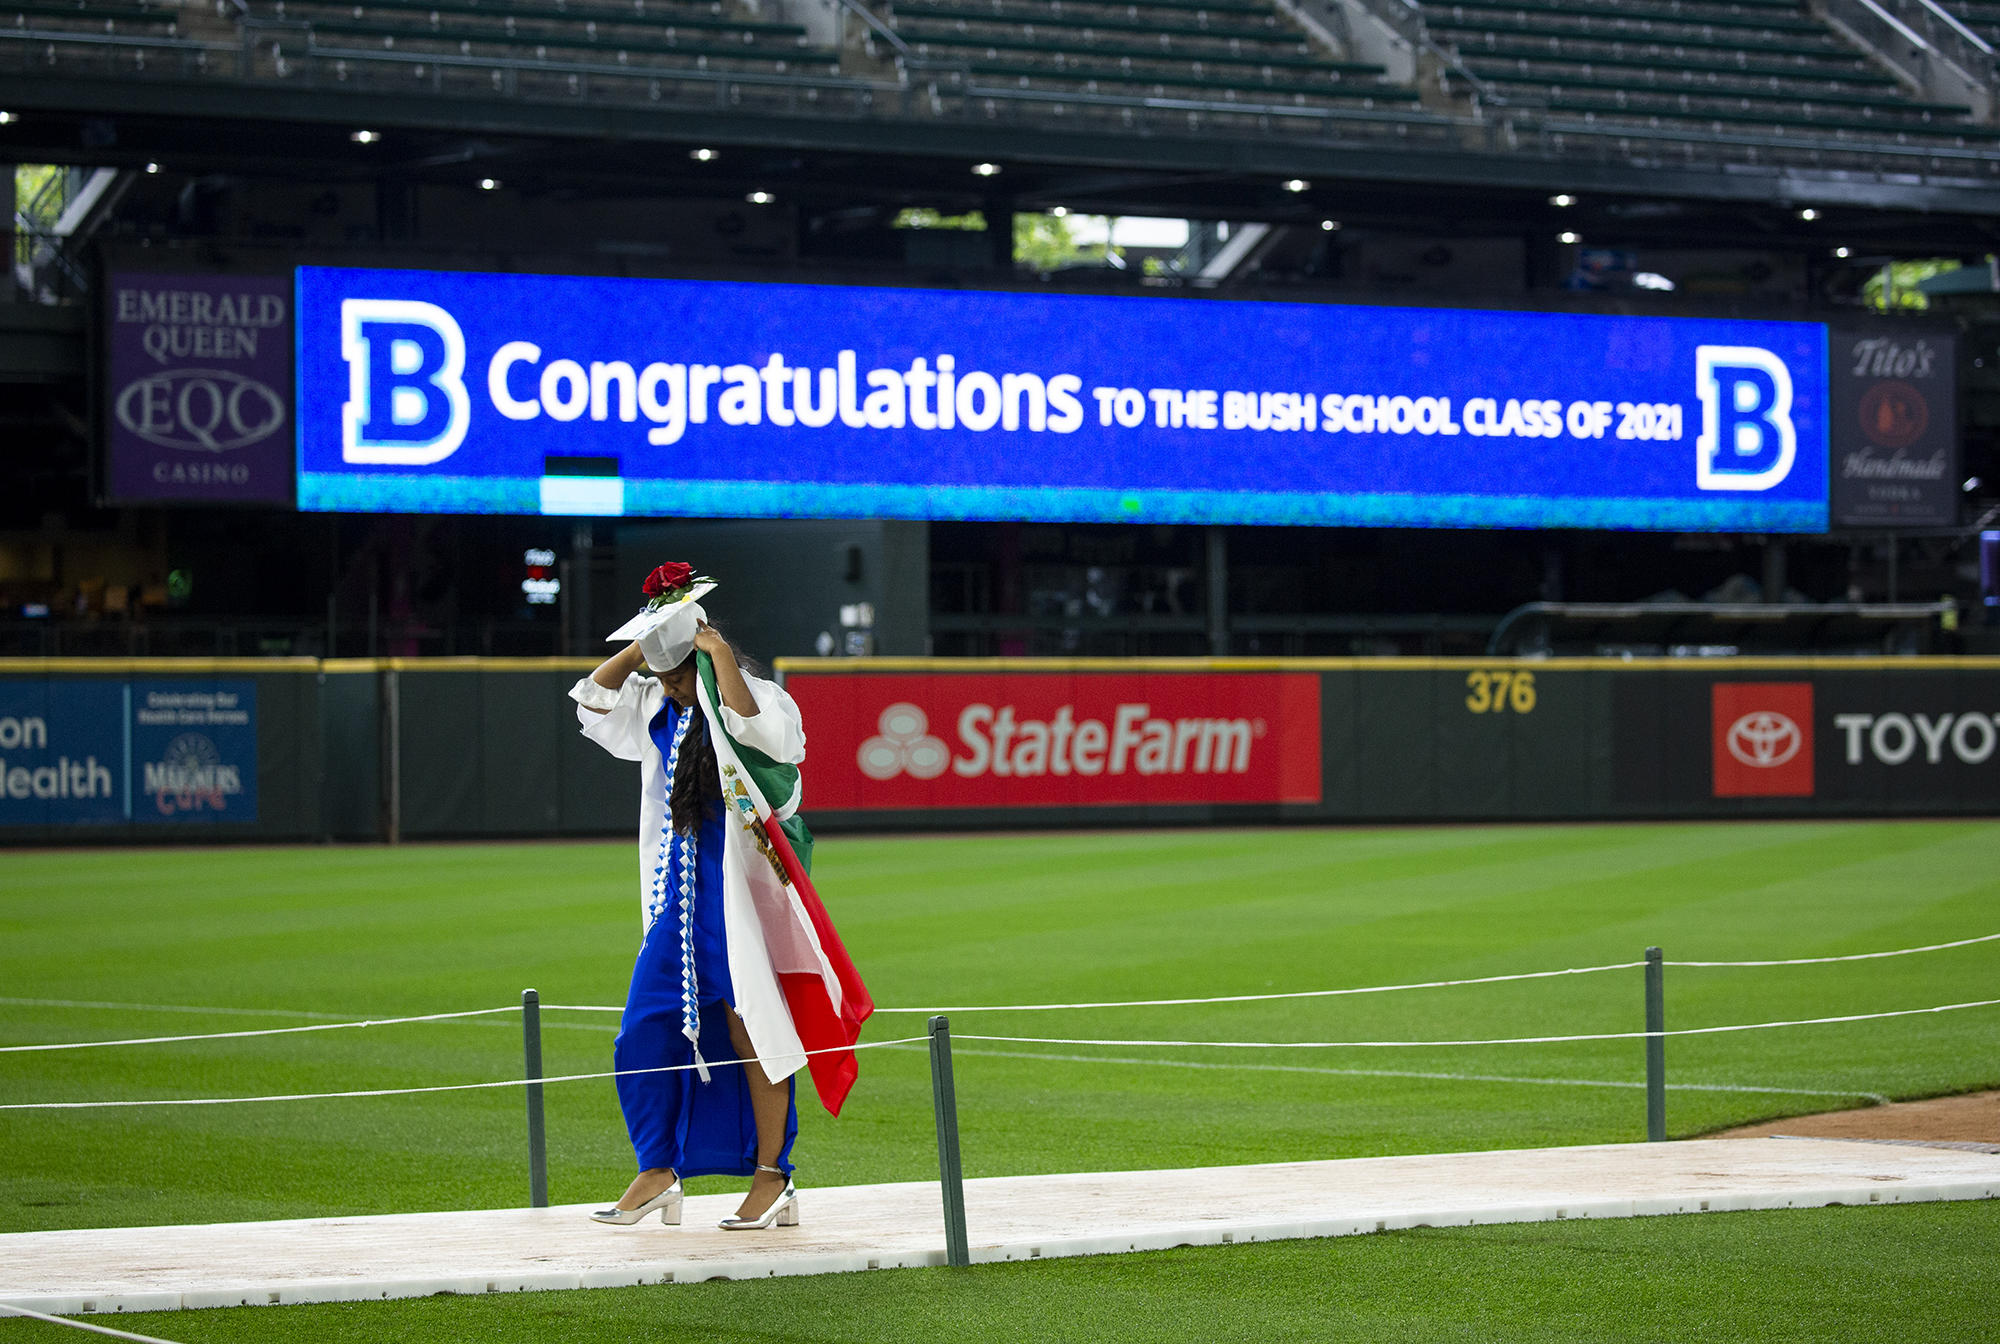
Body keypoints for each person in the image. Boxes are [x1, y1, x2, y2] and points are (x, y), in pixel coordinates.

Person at [568, 562, 871, 1231]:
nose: (669, 688)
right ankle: (657, 1170)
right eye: (662, 677)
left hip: (737, 904)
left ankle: (773, 1177)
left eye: (677, 677)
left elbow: (767, 737)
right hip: (675, 906)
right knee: (641, 1034)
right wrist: (647, 642)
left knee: (753, 1032)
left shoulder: (753, 694)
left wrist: (717, 656)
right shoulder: (655, 707)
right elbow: (593, 702)